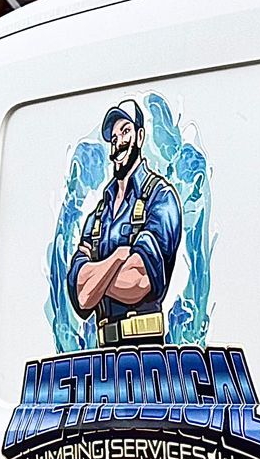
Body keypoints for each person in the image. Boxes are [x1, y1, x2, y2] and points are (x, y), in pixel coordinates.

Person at [68, 99, 183, 345]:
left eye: (125, 131)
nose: (118, 141)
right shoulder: (98, 215)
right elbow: (80, 296)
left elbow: (138, 281)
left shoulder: (161, 197)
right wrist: (119, 257)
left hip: (145, 350)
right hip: (103, 353)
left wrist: (94, 278)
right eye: (113, 136)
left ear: (140, 137)